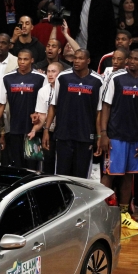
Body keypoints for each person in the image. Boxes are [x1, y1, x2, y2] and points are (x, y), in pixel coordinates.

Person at [99, 48, 138, 230]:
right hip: (115, 135)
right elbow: (105, 106)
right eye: (130, 58)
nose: (132, 61)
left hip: (136, 137)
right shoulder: (116, 78)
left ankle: (123, 213)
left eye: (136, 59)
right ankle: (101, 210)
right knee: (109, 175)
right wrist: (104, 134)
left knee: (128, 176)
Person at [43, 49, 104, 178]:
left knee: (81, 178)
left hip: (85, 135)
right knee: (61, 175)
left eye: (81, 58)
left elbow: (99, 112)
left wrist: (99, 137)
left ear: (88, 61)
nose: (76, 61)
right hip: (64, 134)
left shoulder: (97, 81)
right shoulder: (63, 77)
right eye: (75, 58)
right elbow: (53, 105)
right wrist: (46, 130)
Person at [0, 50, 46, 168]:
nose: (22, 62)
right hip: (14, 128)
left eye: (25, 59)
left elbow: (45, 104)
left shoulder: (41, 78)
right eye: (20, 59)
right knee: (18, 165)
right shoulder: (7, 78)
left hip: (33, 129)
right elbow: (1, 104)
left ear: (32, 60)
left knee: (33, 166)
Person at [70, 0, 116, 69]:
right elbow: (73, 21)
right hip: (79, 41)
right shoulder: (77, 0)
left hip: (99, 47)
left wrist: (109, 49)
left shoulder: (105, 1)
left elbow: (110, 26)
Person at [28, 62, 65, 174]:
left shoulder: (65, 89)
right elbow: (42, 115)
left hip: (64, 132)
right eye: (48, 71)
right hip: (49, 132)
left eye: (53, 72)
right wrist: (34, 130)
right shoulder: (43, 91)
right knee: (48, 164)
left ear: (61, 74)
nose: (50, 74)